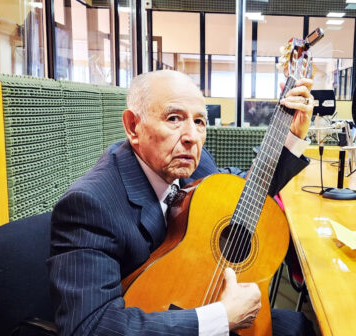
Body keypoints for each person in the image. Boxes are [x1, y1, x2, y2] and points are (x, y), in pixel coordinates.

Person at [48, 70, 316, 336]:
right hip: (160, 320)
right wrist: (220, 317)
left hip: (203, 297)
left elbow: (245, 193)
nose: (191, 136)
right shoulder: (91, 204)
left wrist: (291, 137)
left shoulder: (187, 161)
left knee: (301, 326)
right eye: (174, 118)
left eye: (199, 121)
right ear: (133, 126)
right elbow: (90, 327)